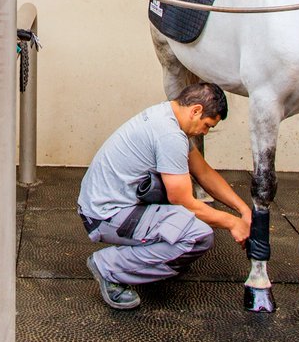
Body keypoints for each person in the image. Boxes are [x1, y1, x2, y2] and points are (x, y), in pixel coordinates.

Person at [77, 81, 251, 310]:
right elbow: (183, 201)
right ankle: (109, 266)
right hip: (106, 215)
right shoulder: (169, 135)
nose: (205, 132)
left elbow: (204, 172)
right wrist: (232, 222)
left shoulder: (167, 117)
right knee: (197, 236)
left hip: (106, 208)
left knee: (183, 221)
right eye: (207, 125)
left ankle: (148, 258)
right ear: (196, 110)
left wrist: (243, 209)